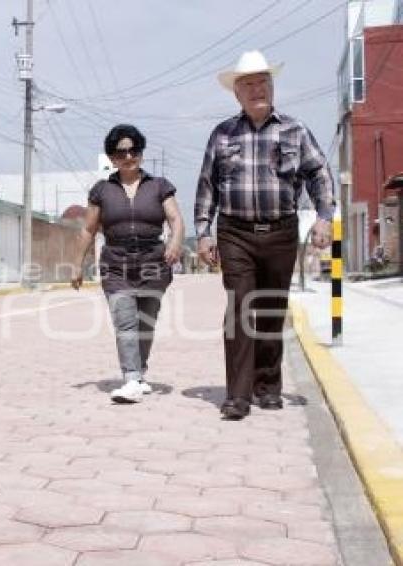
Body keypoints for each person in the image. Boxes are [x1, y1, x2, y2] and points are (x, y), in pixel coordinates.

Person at [194, 50, 335, 420]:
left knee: (271, 309)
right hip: (235, 232)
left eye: (263, 83)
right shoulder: (222, 135)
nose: (257, 89)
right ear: (236, 94)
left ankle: (268, 386)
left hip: (280, 231)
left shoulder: (295, 130)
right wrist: (203, 232)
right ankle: (237, 395)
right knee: (239, 307)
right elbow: (207, 185)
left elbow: (319, 173)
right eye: (249, 85)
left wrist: (324, 216)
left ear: (272, 88)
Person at [72, 124, 185, 403]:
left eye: (134, 150)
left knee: (145, 324)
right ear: (112, 158)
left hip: (153, 263)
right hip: (116, 264)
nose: (128, 156)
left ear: (141, 153)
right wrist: (77, 264)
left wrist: (175, 243)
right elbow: (88, 228)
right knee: (125, 322)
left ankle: (139, 372)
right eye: (121, 152)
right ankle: (132, 378)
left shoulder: (159, 186)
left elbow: (175, 219)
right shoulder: (101, 190)